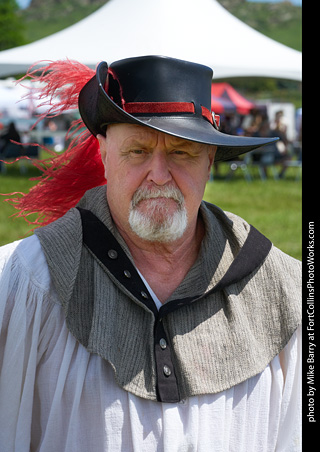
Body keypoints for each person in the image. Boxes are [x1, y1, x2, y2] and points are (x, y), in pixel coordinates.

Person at [0, 56, 301, 451]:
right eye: (137, 151)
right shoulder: (25, 280)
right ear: (104, 155)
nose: (158, 174)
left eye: (181, 153)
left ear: (209, 161)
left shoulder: (283, 289)